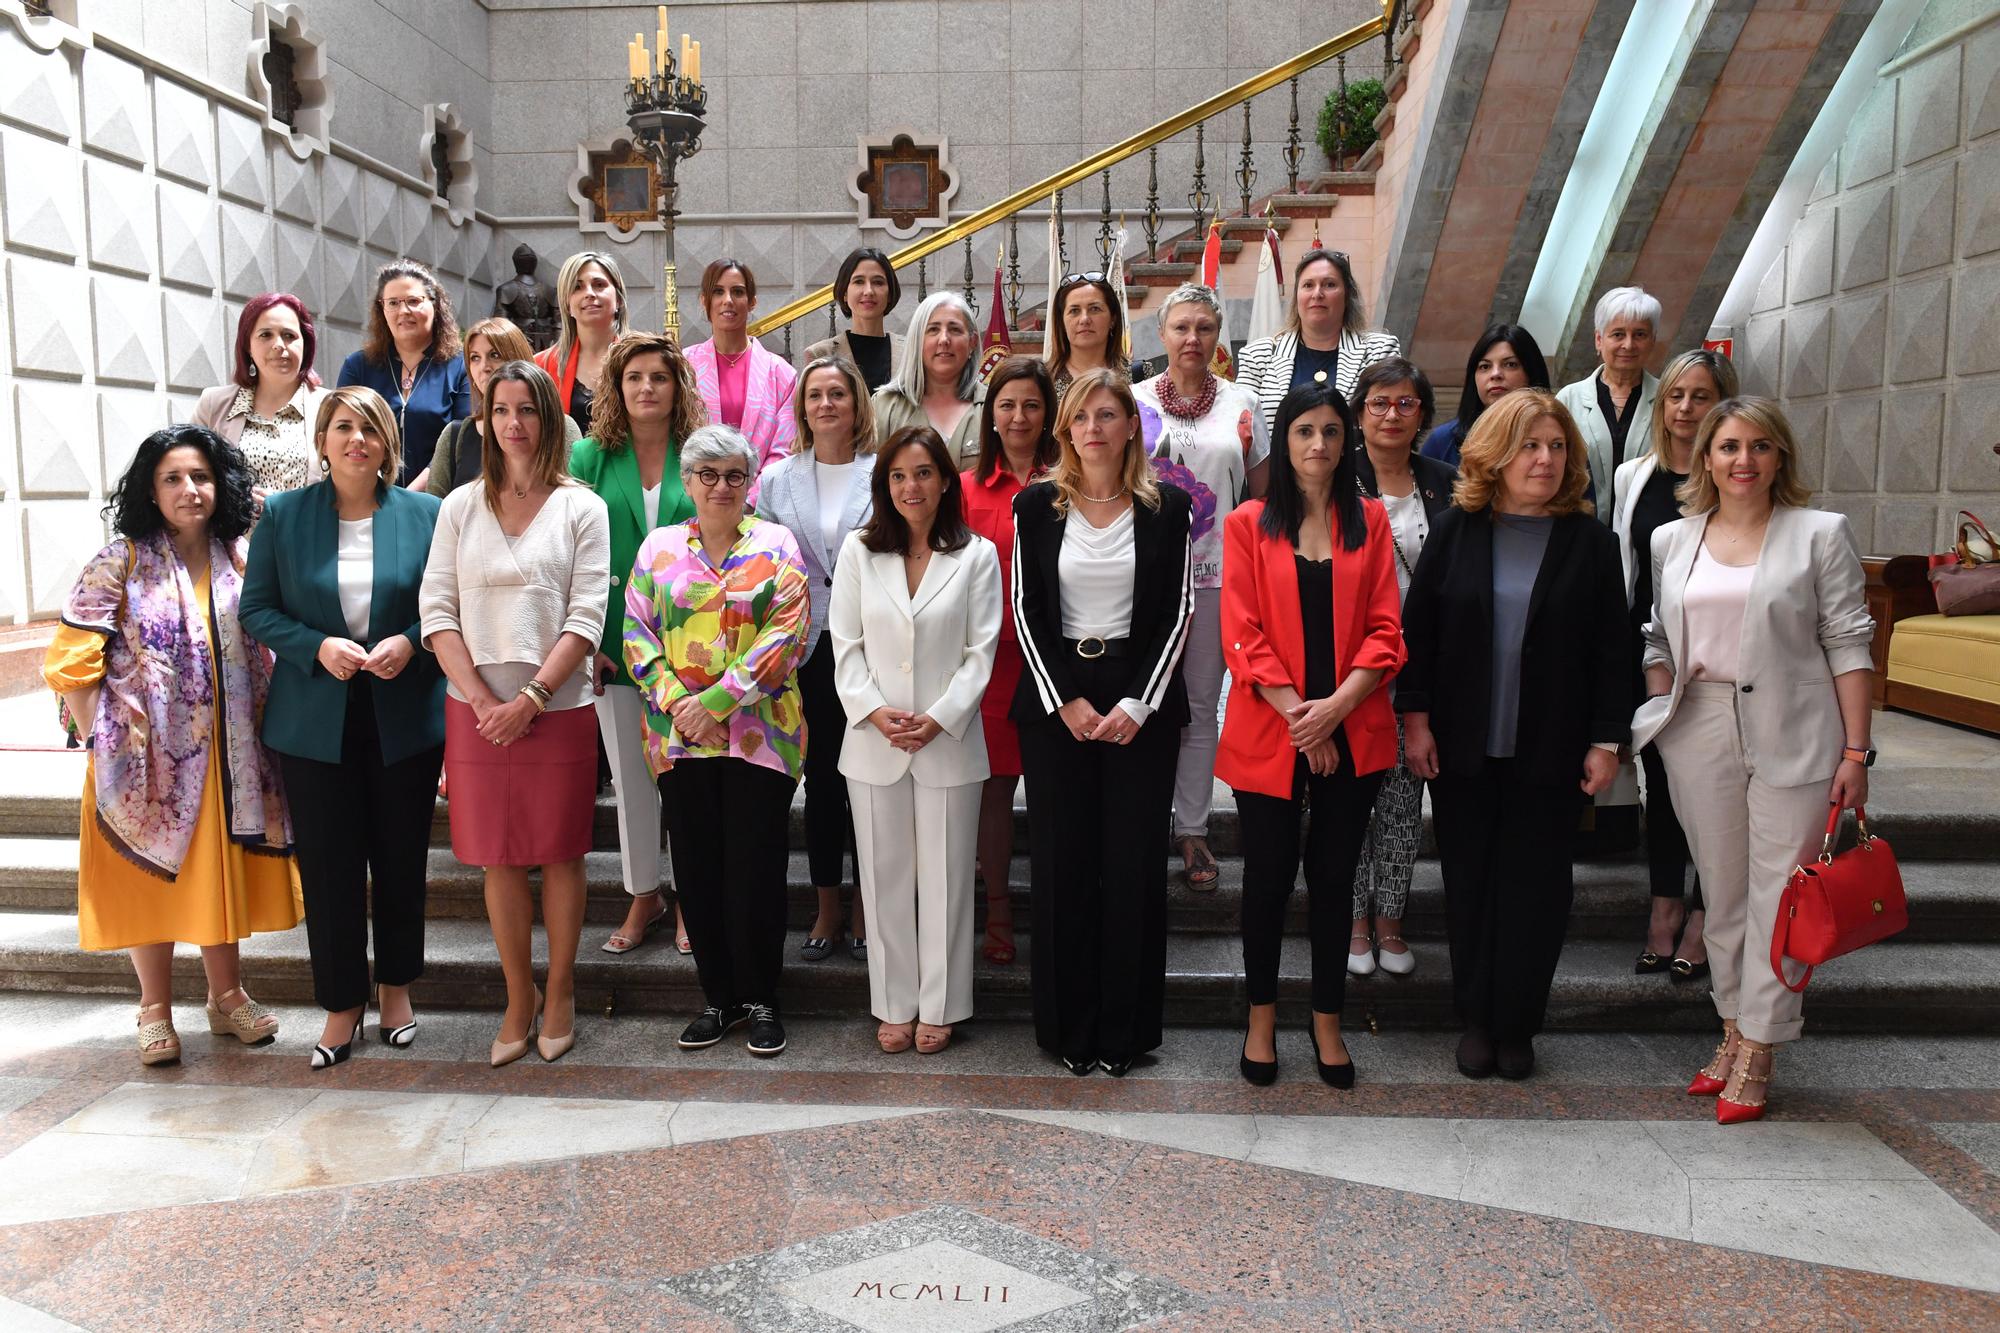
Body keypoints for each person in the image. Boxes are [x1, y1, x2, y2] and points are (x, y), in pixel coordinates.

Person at [1632, 397, 1874, 1125]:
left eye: (1760, 447)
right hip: (1697, 724)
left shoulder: (1819, 534)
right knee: (1724, 895)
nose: (1744, 461)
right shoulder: (1673, 540)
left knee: (1779, 894)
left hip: (1796, 728)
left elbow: (1849, 641)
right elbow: (1656, 637)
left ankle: (1762, 1044)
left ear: (1781, 458)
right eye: (1729, 446)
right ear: (1705, 456)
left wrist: (1857, 749)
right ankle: (1732, 1027)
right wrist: (1662, 704)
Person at [44, 425, 297, 1066]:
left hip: (229, 754)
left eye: (203, 477)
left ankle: (226, 996)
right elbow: (73, 659)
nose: (190, 489)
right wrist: (107, 743)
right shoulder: (120, 560)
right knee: (150, 878)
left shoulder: (240, 553)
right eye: (173, 478)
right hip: (144, 762)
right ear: (150, 491)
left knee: (219, 873)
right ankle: (154, 1010)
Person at [1399, 389, 1629, 1081]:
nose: (1546, 459)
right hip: (1464, 744)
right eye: (1530, 445)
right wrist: (1415, 720)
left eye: (1557, 446)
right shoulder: (1458, 529)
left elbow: (1612, 650)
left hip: (1552, 749)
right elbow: (1421, 635)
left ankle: (1518, 1022)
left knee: (1537, 891)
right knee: (1470, 885)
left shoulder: (1591, 542)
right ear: (1497, 454)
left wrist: (1606, 739)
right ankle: (1476, 1018)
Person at [240, 387, 444, 1068]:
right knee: (328, 868)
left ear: (388, 443)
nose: (357, 439)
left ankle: (396, 990)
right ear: (323, 439)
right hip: (314, 718)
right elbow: (258, 608)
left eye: (371, 429)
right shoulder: (282, 514)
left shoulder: (426, 514)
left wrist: (412, 641)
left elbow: (448, 604)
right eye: (344, 427)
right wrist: (315, 646)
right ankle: (340, 1003)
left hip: (402, 713)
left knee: (399, 859)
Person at [419, 361, 609, 1068]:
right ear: (485, 419)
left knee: (560, 852)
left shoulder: (580, 507)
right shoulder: (459, 507)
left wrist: (530, 699)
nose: (514, 423)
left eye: (527, 409)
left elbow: (588, 614)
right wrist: (482, 701)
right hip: (475, 709)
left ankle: (559, 991)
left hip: (558, 708)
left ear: (550, 419)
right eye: (500, 409)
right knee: (496, 858)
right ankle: (517, 996)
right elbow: (436, 609)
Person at [1217, 385, 1403, 1088]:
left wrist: (1335, 711)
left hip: (1352, 728)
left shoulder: (1373, 521)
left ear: (1345, 439)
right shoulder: (1248, 524)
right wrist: (1305, 718)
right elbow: (1242, 633)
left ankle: (1328, 1019)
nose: (1318, 445)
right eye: (1304, 432)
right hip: (1272, 729)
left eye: (1331, 432)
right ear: (1284, 440)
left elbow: (1388, 630)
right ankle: (1261, 1017)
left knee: (1333, 881)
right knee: (1266, 881)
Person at [1013, 368, 1194, 1076]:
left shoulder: (1167, 507)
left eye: (1108, 414)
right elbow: (1027, 612)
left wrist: (1137, 705)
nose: (1094, 427)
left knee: (1131, 869)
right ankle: (1068, 1031)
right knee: (1062, 868)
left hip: (1137, 699)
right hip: (1058, 700)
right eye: (1082, 416)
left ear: (1130, 427)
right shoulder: (1035, 506)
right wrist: (1067, 700)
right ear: (1066, 429)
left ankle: (1124, 1033)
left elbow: (1179, 612)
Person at [625, 425, 810, 1059]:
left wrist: (716, 703)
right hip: (679, 742)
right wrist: (684, 708)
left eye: (734, 475)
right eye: (708, 475)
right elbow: (637, 637)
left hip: (762, 740)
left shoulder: (777, 544)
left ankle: (762, 1000)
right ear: (688, 481)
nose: (722, 486)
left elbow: (787, 632)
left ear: (750, 482)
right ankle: (718, 997)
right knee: (698, 872)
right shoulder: (657, 549)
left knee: (755, 870)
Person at [830, 426, 1002, 1053]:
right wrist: (875, 712)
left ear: (947, 480)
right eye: (899, 475)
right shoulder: (859, 552)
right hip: (874, 743)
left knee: (950, 879)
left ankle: (944, 1003)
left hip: (948, 741)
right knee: (884, 879)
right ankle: (894, 1002)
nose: (912, 486)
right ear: (884, 484)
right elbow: (844, 647)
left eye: (924, 472)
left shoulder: (976, 555)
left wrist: (938, 716)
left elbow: (980, 653)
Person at [569, 332, 704, 958]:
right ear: (615, 388)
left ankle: (688, 897)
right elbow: (571, 553)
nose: (646, 388)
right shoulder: (591, 457)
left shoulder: (700, 452)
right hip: (614, 647)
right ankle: (642, 892)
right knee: (630, 775)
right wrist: (590, 638)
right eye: (633, 379)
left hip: (692, 650)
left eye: (659, 377)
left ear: (677, 386)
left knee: (686, 780)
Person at [1132, 283, 1269, 890]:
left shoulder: (1243, 404)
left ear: (1219, 337)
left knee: (1197, 706)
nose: (1193, 339)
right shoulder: (1131, 401)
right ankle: (1139, 821)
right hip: (1140, 580)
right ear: (1161, 336)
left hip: (1216, 576)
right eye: (1182, 328)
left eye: (1205, 329)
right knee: (1141, 699)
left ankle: (1191, 827)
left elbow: (1262, 495)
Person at [1613, 348, 1739, 980]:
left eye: (1701, 396)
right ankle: (1664, 908)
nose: (1687, 408)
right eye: (1676, 397)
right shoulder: (1634, 476)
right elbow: (1627, 573)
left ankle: (1705, 916)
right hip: (1652, 653)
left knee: (1717, 795)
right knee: (1662, 788)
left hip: (1722, 664)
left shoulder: (1736, 474)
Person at [756, 355, 875, 963]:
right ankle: (828, 906)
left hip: (868, 648)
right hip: (800, 648)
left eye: (838, 394)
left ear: (857, 404)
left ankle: (864, 908)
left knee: (866, 780)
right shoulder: (777, 481)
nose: (826, 404)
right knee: (823, 782)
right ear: (801, 407)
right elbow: (765, 567)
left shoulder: (881, 475)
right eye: (815, 395)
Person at [1346, 357, 1457, 979]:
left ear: (1422, 415)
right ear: (1360, 412)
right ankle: (1352, 921)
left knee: (1400, 800)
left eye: (1405, 404)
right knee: (1346, 802)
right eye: (1379, 403)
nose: (1392, 414)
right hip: (1349, 668)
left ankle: (1389, 921)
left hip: (1418, 668)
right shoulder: (1336, 478)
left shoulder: (1446, 482)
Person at [960, 356, 1061, 964]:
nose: (1018, 416)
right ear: (990, 414)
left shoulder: (1073, 481)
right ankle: (997, 910)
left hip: (1059, 662)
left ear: (1047, 412)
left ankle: (1054, 912)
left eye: (1030, 404)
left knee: (1054, 794)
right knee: (994, 793)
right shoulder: (966, 488)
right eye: (1006, 404)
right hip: (991, 665)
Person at [1235, 248, 1402, 438]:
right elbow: (1242, 430)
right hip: (1275, 467)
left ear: (1347, 295)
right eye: (1308, 285)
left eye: (1329, 284)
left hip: (1356, 467)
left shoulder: (1379, 352)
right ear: (1297, 296)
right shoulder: (1258, 356)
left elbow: (1391, 423)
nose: (1317, 293)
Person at [337, 259, 471, 487]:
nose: (403, 311)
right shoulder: (358, 366)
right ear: (382, 309)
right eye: (393, 303)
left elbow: (460, 441)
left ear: (434, 304)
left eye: (413, 301)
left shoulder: (460, 366)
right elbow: (342, 432)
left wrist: (410, 496)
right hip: (368, 497)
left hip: (437, 499)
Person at [190, 292, 328, 502]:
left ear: (305, 344)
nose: (279, 344)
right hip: (235, 535)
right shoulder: (213, 404)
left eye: (289, 335)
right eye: (266, 335)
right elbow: (190, 475)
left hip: (309, 533)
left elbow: (356, 483)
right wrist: (232, 494)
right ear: (248, 346)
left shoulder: (332, 407)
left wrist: (287, 508)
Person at [427, 318, 581, 497]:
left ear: (518, 358)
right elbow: (434, 509)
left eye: (494, 355)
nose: (484, 367)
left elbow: (576, 501)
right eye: (475, 358)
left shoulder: (562, 426)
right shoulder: (454, 435)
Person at [684, 259, 798, 476]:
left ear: (752, 301)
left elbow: (783, 450)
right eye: (718, 292)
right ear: (704, 300)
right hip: (696, 496)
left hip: (758, 503)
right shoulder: (684, 365)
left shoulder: (781, 373)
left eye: (737, 292)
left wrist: (750, 499)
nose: (728, 300)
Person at [1556, 285, 1662, 520]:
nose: (1628, 344)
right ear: (1598, 339)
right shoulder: (1567, 399)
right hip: (1580, 527)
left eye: (1640, 334)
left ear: (1653, 341)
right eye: (1618, 334)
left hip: (1649, 530)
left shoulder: (1669, 399)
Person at [872, 291, 986, 468]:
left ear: (972, 342)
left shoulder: (993, 405)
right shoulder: (885, 406)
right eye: (933, 329)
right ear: (917, 341)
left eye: (955, 329)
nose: (944, 339)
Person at [1419, 323, 1551, 468]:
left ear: (1531, 372)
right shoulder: (1443, 441)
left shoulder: (1555, 436)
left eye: (1510, 364)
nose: (1495, 374)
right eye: (1485, 366)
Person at [533, 250, 631, 437]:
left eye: (599, 284)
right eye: (577, 287)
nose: (589, 293)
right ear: (567, 304)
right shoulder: (541, 366)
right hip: (565, 466)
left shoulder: (642, 360)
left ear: (618, 299)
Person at [800, 247, 905, 392]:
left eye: (878, 282)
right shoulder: (820, 354)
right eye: (859, 281)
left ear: (890, 294)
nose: (868, 291)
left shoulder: (911, 351)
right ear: (844, 293)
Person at [1044, 271, 1138, 396]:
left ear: (1113, 319)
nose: (1084, 319)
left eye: (1094, 309)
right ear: (1061, 322)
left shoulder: (1138, 375)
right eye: (1074, 311)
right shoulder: (1043, 380)